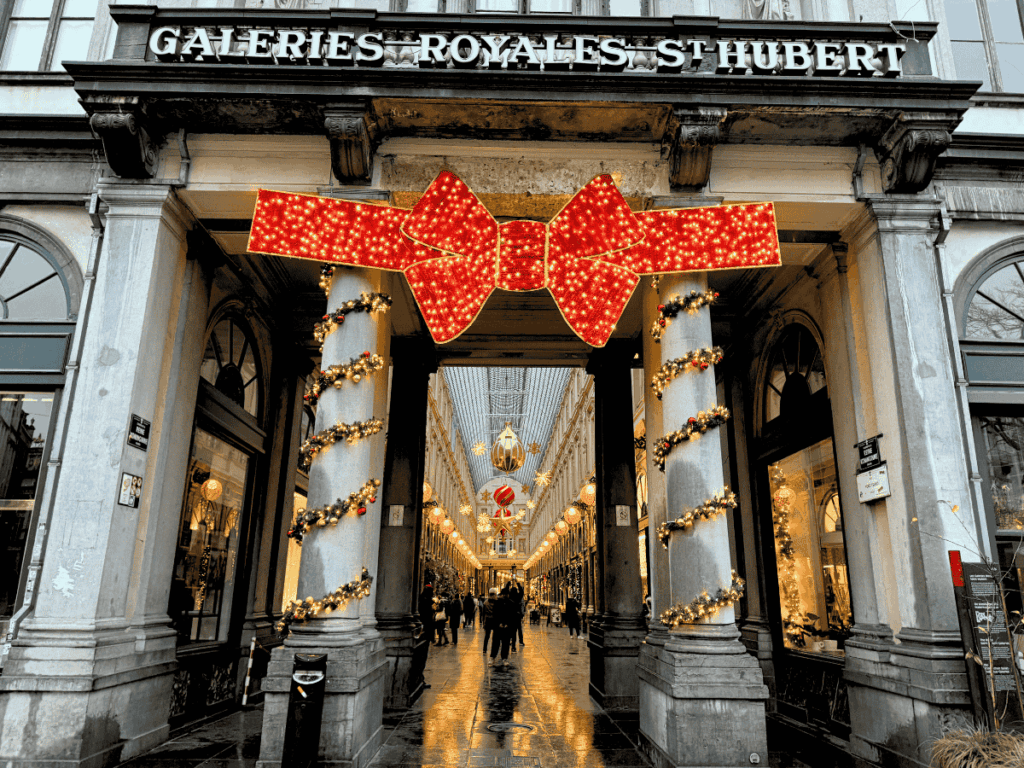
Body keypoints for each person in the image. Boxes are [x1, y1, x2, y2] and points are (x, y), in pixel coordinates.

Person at [489, 586, 515, 668]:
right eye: (504, 594)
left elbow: (512, 616)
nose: (504, 596)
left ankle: (504, 658)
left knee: (506, 644)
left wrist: (508, 624)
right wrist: (498, 623)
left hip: (507, 627)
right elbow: (495, 614)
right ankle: (492, 657)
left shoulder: (511, 603)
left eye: (506, 594)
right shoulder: (497, 603)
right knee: (495, 643)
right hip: (498, 627)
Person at [481, 587, 498, 654]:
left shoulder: (485, 602)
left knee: (487, 636)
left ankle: (484, 649)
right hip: (494, 620)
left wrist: (483, 622)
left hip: (487, 620)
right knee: (495, 636)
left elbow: (483, 613)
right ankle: (493, 649)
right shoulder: (496, 602)